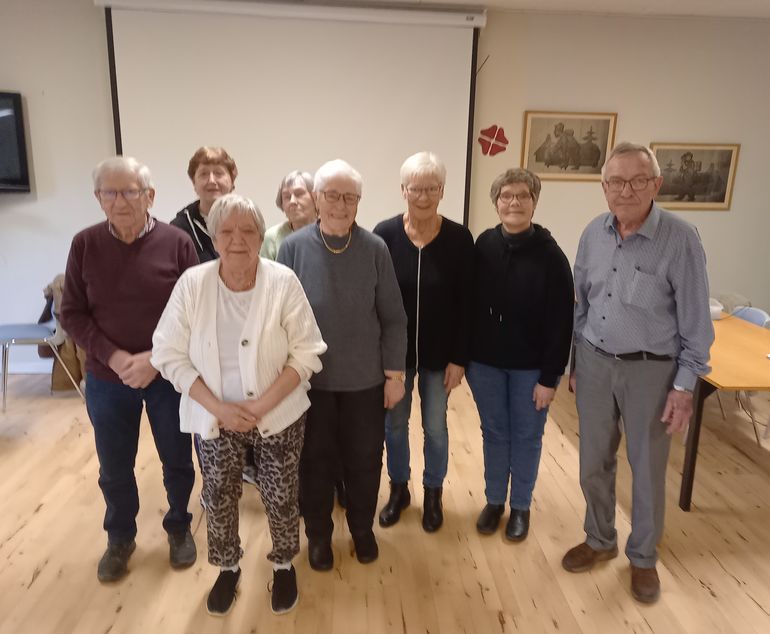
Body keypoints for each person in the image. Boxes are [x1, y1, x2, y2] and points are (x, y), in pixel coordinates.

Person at [152, 193, 327, 616]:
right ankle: (227, 567)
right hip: (213, 416)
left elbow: (307, 352)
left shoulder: (282, 281)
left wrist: (262, 405)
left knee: (282, 495)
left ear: (260, 237)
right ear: (213, 238)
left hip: (278, 413)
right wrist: (218, 407)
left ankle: (283, 565)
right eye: (226, 231)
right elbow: (167, 353)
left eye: (248, 231)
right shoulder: (192, 284)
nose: (237, 240)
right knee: (218, 494)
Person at [563, 142, 714, 604]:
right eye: (616, 181)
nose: (626, 190)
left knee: (647, 470)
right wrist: (575, 363)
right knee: (593, 462)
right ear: (604, 187)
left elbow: (697, 326)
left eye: (637, 180)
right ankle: (600, 538)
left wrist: (685, 387)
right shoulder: (593, 233)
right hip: (594, 363)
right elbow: (581, 304)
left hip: (652, 371)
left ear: (656, 184)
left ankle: (643, 557)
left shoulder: (681, 239)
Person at [60, 156, 198, 583]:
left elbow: (195, 312)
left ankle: (179, 526)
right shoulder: (84, 244)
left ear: (149, 196)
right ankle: (120, 537)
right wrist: (115, 357)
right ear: (98, 198)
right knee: (114, 466)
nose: (120, 201)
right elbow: (72, 313)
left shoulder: (177, 243)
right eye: (110, 192)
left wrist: (155, 359)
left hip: (167, 375)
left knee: (177, 458)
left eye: (130, 191)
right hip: (108, 377)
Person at [278, 159, 407, 571]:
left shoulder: (375, 249)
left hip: (364, 383)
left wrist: (395, 375)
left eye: (349, 197)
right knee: (314, 462)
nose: (340, 204)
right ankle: (318, 536)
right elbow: (276, 318)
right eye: (332, 195)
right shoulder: (293, 248)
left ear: (358, 202)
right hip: (308, 383)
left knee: (365, 460)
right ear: (316, 199)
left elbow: (394, 318)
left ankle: (362, 529)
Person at [466, 168, 574, 542]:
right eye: (506, 195)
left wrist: (550, 378)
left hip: (531, 370)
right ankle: (495, 501)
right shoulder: (483, 245)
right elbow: (469, 305)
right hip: (486, 366)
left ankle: (521, 507)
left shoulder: (551, 256)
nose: (514, 202)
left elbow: (562, 322)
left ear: (534, 202)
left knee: (527, 437)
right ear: (496, 202)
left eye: (523, 195)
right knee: (494, 433)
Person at [373, 151, 473, 532]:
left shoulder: (459, 239)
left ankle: (433, 493)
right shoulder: (384, 234)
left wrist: (459, 358)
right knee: (395, 426)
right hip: (395, 358)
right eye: (416, 188)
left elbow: (467, 304)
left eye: (432, 188)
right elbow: (376, 300)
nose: (424, 196)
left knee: (435, 427)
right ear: (403, 190)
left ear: (443, 191)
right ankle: (399, 489)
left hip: (440, 357)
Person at [171, 146, 238, 262]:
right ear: (194, 183)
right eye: (204, 174)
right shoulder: (178, 229)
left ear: (232, 181)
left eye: (218, 173)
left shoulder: (247, 221)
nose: (211, 180)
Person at [260, 170, 317, 260]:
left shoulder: (329, 232)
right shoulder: (272, 237)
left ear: (315, 197)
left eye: (299, 194)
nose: (292, 201)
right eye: (287, 197)